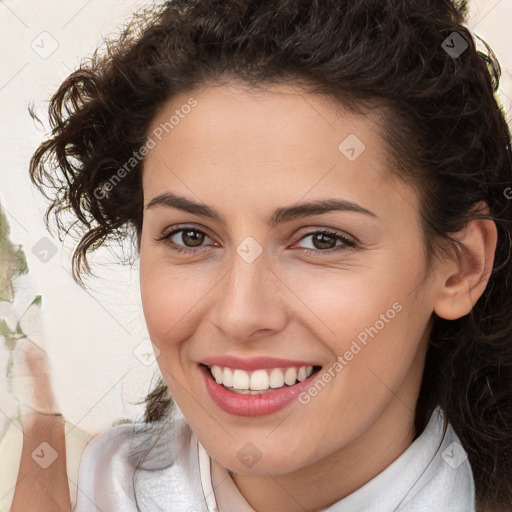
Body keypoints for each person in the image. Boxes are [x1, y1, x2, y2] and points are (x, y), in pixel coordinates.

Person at [16, 0, 512, 510]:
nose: (240, 314)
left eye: (322, 240)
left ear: (461, 267)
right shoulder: (76, 489)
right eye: (190, 236)